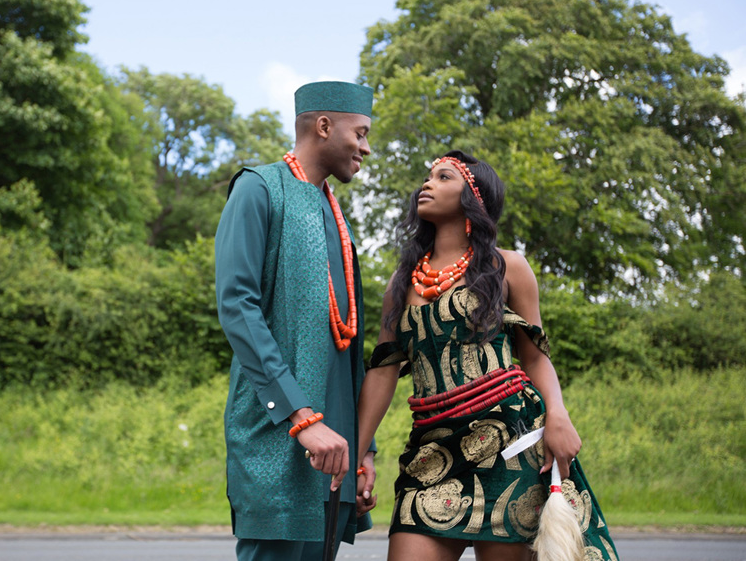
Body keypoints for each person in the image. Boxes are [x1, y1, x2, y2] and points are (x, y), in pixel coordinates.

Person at [356, 151, 619, 561]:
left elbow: (534, 357)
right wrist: (359, 454)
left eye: (443, 177)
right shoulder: (402, 281)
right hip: (431, 452)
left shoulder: (507, 267)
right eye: (428, 176)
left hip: (511, 445)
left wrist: (559, 416)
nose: (427, 184)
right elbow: (383, 371)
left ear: (473, 198)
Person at [215, 81, 379, 561]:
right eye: (361, 133)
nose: (366, 148)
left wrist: (365, 449)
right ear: (324, 126)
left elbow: (346, 337)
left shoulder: (335, 213)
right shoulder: (258, 188)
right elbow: (238, 308)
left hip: (336, 454)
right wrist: (299, 416)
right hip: (278, 440)